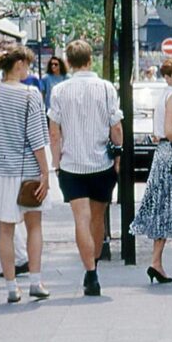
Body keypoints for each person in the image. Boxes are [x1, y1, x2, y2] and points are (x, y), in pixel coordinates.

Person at [47, 40, 124, 297]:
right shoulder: (106, 88)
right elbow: (116, 127)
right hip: (101, 162)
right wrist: (118, 156)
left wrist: (56, 163)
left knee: (80, 218)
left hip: (71, 164)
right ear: (90, 59)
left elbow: (54, 132)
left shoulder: (59, 91)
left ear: (68, 62)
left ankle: (90, 273)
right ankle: (95, 265)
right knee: (97, 217)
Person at [0, 47, 51, 302]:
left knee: (4, 230)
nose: (28, 69)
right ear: (18, 64)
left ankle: (11, 287)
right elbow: (37, 137)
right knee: (34, 226)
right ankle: (35, 281)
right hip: (27, 170)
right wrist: (45, 171)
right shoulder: (31, 95)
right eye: (26, 64)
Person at [129, 55, 172, 284]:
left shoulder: (168, 95)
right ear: (168, 77)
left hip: (164, 154)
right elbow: (170, 130)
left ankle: (156, 262)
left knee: (164, 207)